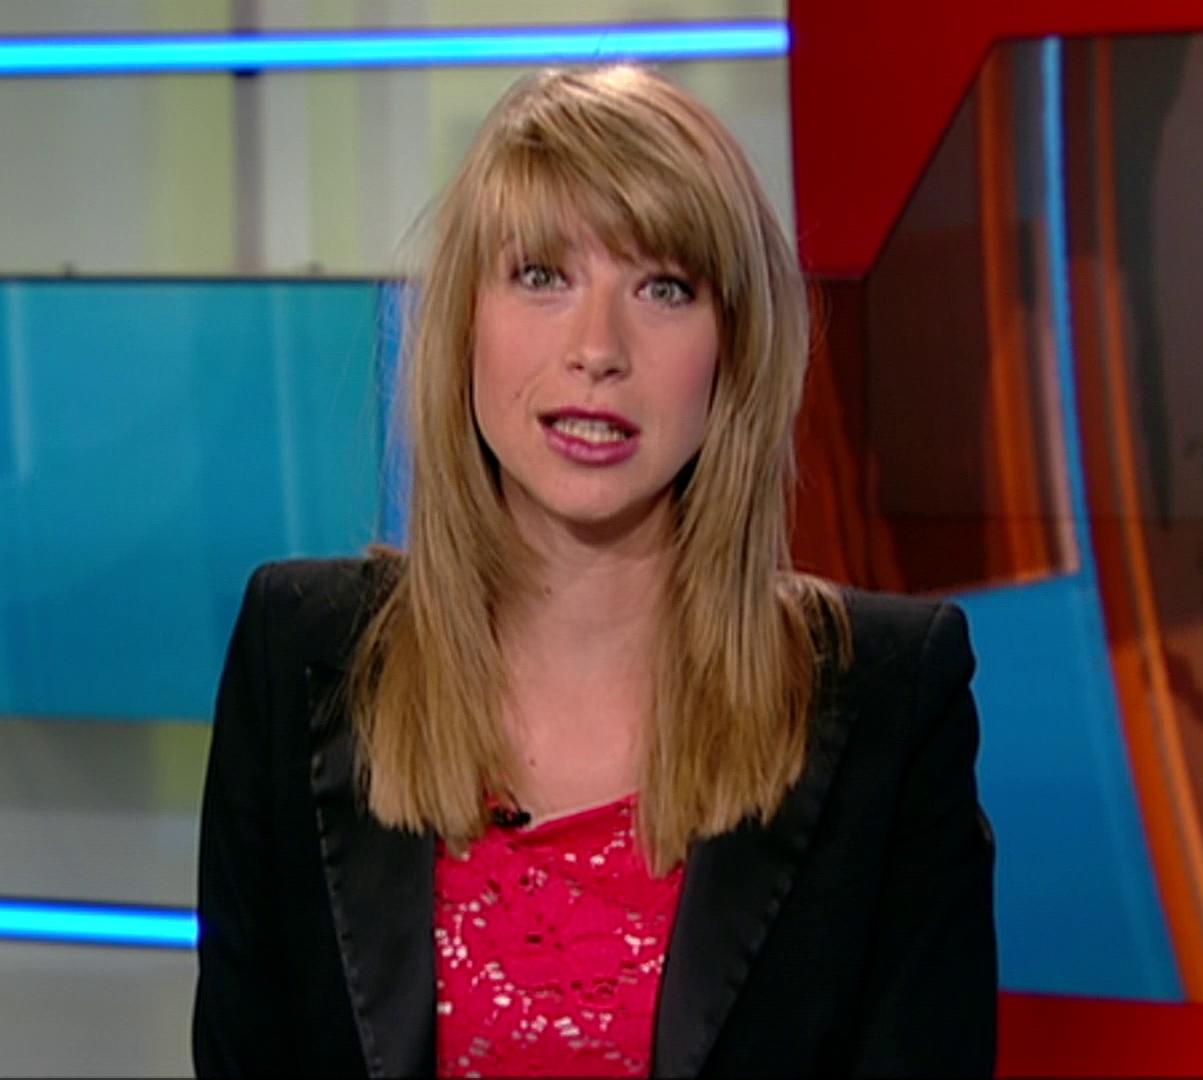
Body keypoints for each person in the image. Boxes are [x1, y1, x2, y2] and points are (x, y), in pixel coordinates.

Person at [192, 63, 998, 1078]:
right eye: (542, 276)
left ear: (736, 353)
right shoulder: (300, 652)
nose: (597, 349)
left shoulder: (888, 697)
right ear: (464, 323)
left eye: (664, 288)